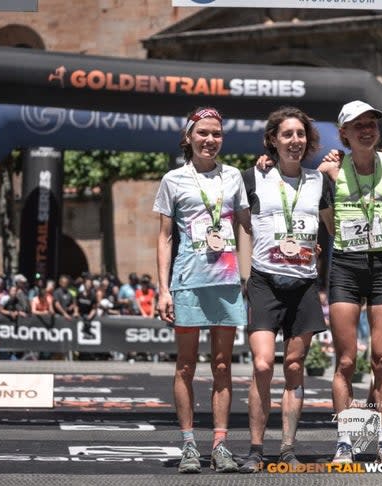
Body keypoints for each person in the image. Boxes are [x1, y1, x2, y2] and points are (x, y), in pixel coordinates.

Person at [319, 100, 382, 465]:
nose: (366, 129)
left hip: (381, 268)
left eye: (371, 123)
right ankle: (346, 440)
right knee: (346, 360)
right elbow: (329, 220)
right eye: (357, 125)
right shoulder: (330, 168)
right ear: (343, 132)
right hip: (345, 266)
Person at [154, 106, 251, 474]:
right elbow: (164, 238)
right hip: (188, 281)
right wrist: (163, 289)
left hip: (225, 283)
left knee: (223, 365)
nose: (210, 139)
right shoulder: (173, 180)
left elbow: (246, 224)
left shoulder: (234, 178)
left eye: (216, 134)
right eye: (203, 133)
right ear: (189, 137)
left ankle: (221, 444)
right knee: (186, 366)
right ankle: (189, 444)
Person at [237, 106, 333, 473]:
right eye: (287, 134)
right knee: (263, 364)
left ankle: (288, 448)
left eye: (300, 134)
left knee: (294, 365)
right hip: (265, 282)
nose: (295, 141)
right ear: (273, 141)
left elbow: (333, 228)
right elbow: (245, 223)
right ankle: (256, 449)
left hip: (305, 285)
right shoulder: (252, 177)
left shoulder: (318, 181)